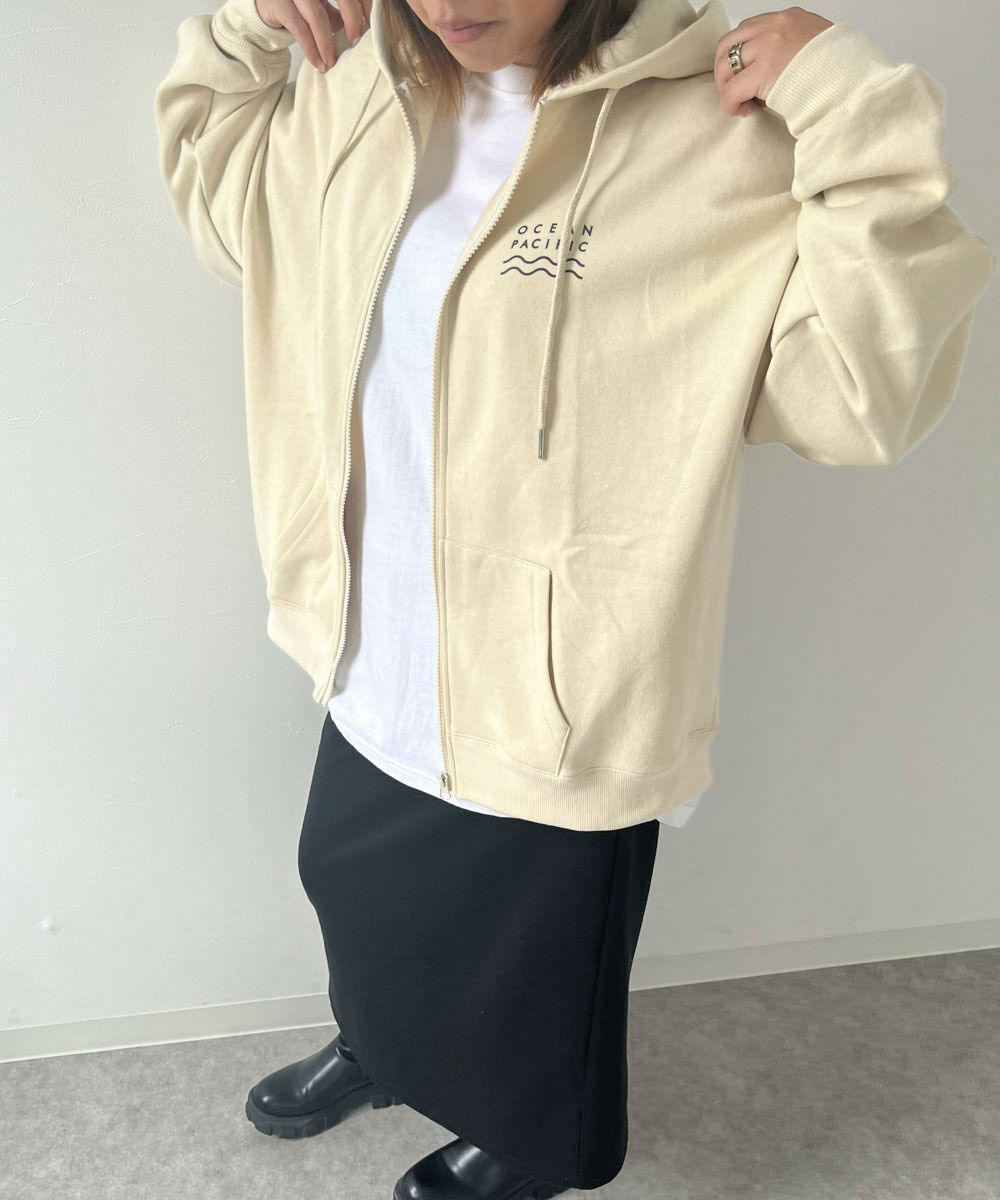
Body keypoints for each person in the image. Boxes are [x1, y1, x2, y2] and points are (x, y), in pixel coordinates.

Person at [153, 0, 994, 1196]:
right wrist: (248, 26)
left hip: (560, 679)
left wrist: (849, 105)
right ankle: (384, 1045)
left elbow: (861, 401)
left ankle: (532, 1143)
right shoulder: (357, 87)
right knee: (353, 883)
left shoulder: (720, 134)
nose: (450, 5)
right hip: (373, 634)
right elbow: (229, 202)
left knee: (534, 975)